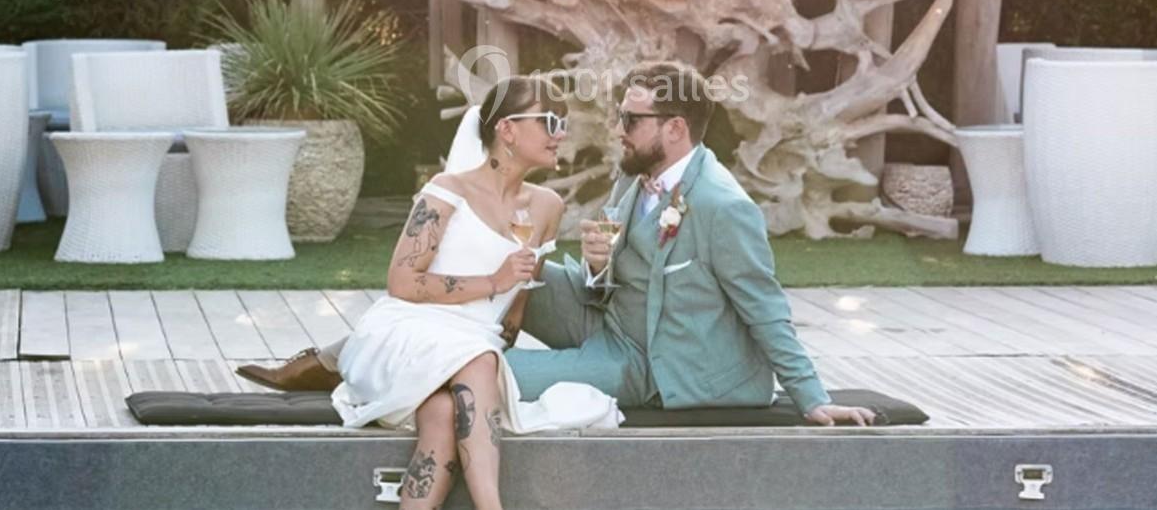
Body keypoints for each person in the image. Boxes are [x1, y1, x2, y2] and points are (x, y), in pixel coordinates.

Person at [239, 61, 874, 430]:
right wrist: (597, 269)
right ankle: (336, 352)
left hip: (650, 363)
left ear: (675, 129)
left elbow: (765, 307)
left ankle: (362, 364)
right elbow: (615, 278)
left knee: (479, 375)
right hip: (604, 311)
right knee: (502, 261)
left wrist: (813, 400)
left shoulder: (721, 207)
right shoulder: (640, 181)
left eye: (632, 121)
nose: (618, 131)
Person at [329, 75, 621, 510]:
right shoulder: (447, 192)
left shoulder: (547, 207)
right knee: (477, 359)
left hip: (474, 349)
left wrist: (595, 266)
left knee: (445, 412)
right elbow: (402, 282)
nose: (560, 133)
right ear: (506, 129)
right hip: (408, 331)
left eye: (562, 122)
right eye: (549, 121)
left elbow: (515, 311)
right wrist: (492, 282)